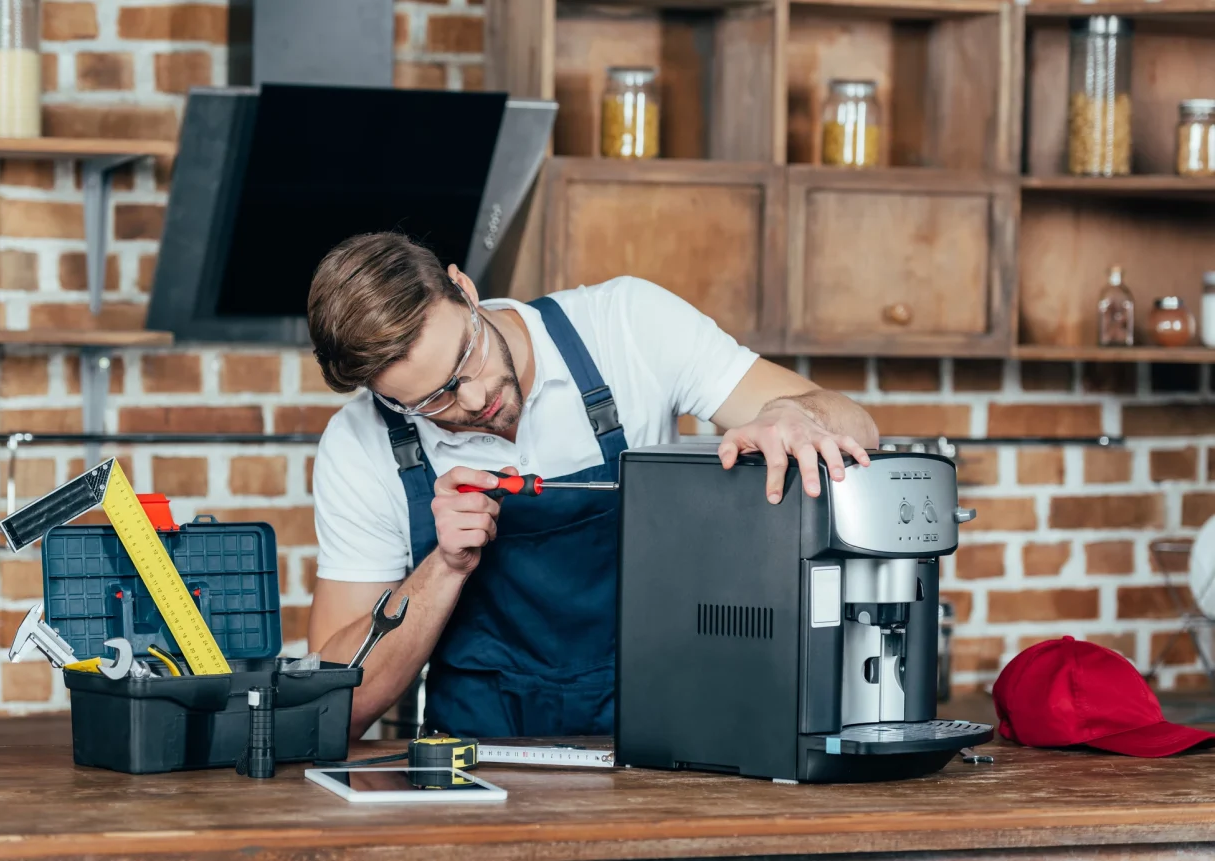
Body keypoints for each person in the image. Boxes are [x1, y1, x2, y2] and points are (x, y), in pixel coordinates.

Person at [305, 231, 879, 741]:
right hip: (480, 768)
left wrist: (791, 414)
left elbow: (857, 425)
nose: (475, 400)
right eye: (434, 400)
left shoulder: (626, 326)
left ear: (465, 289)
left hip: (661, 745)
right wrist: (443, 568)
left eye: (467, 357)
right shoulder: (361, 445)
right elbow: (336, 707)